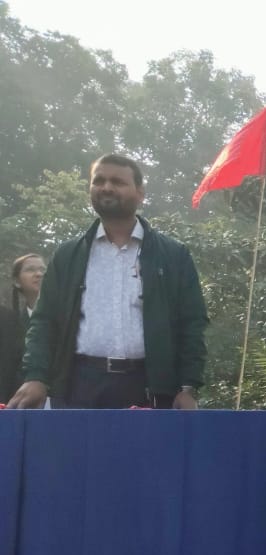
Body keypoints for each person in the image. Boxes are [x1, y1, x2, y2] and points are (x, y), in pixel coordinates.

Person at [9, 155, 206, 410]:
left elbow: (192, 323)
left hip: (150, 385)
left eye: (118, 182)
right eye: (99, 181)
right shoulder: (69, 255)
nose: (107, 187)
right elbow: (44, 321)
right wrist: (35, 377)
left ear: (140, 193)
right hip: (78, 386)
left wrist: (188, 387)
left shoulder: (172, 255)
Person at [1, 254, 44, 403]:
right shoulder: (9, 324)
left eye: (43, 270)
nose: (39, 274)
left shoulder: (68, 317)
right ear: (17, 281)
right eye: (31, 269)